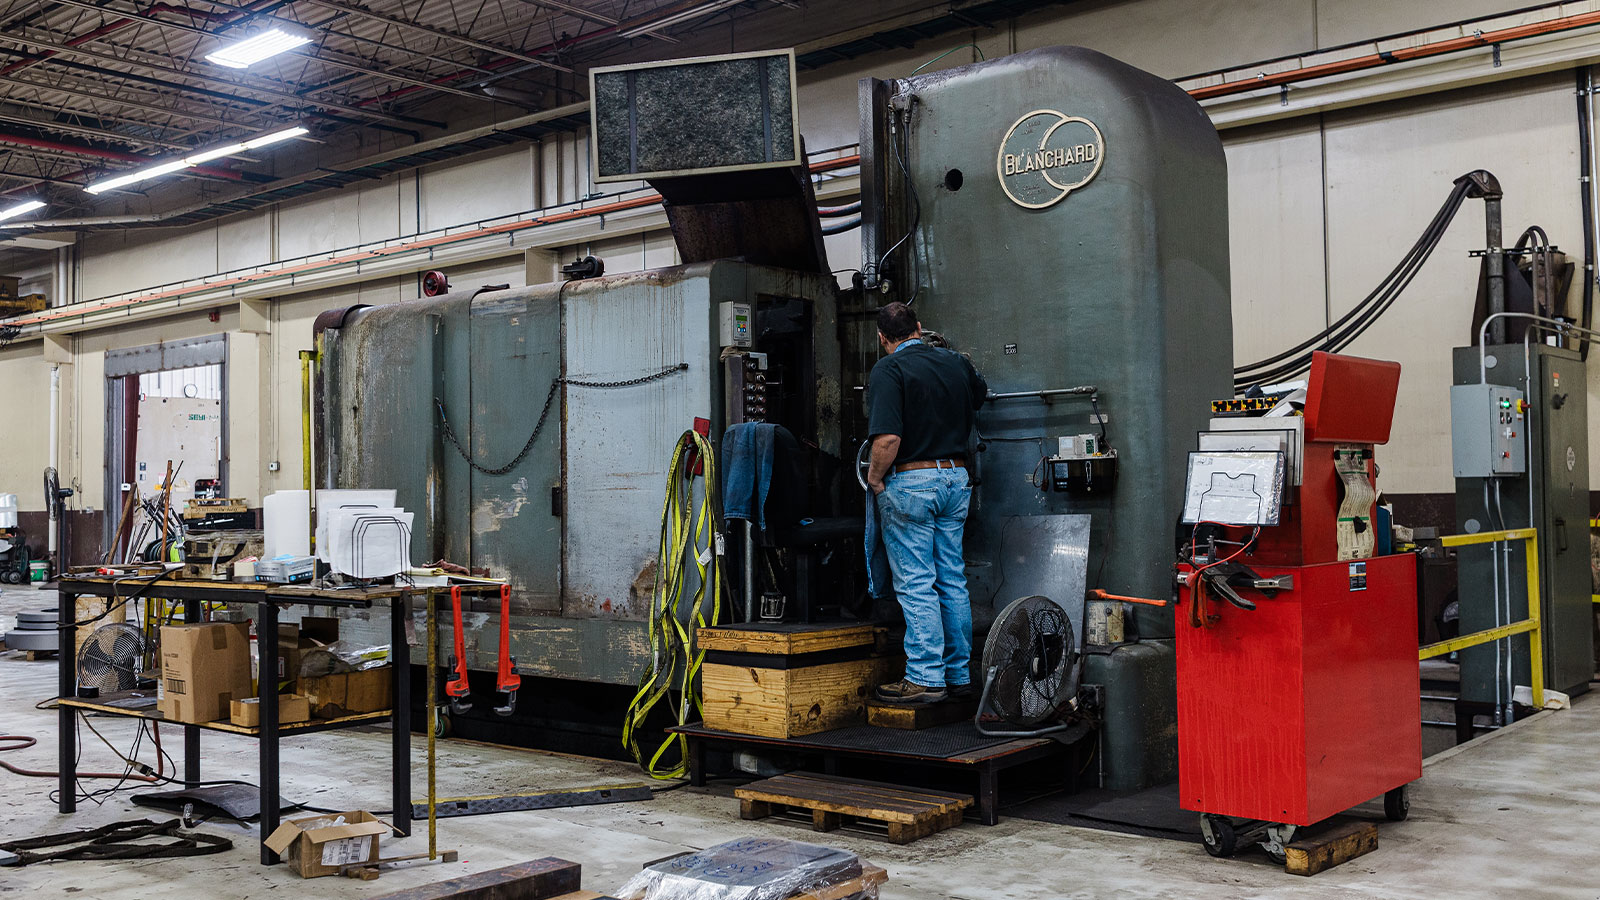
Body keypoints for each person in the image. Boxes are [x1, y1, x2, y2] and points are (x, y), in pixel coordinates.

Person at [865, 301, 988, 705]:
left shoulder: (889, 369)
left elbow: (888, 440)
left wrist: (875, 478)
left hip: (913, 481)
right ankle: (958, 675)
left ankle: (924, 678)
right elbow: (978, 395)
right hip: (956, 478)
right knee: (951, 578)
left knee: (916, 581)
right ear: (918, 327)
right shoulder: (955, 362)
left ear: (884, 339)